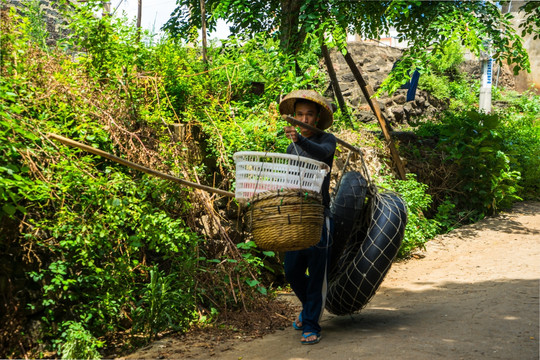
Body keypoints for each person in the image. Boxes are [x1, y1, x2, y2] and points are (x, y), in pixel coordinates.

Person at [278, 89, 336, 345]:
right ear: (294, 116)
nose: (304, 118)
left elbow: (321, 155)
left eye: (309, 115)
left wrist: (300, 141)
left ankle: (311, 324)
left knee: (316, 272)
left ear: (317, 118)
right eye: (299, 114)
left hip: (317, 215)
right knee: (291, 270)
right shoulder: (292, 147)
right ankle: (309, 309)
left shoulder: (327, 141)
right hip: (296, 216)